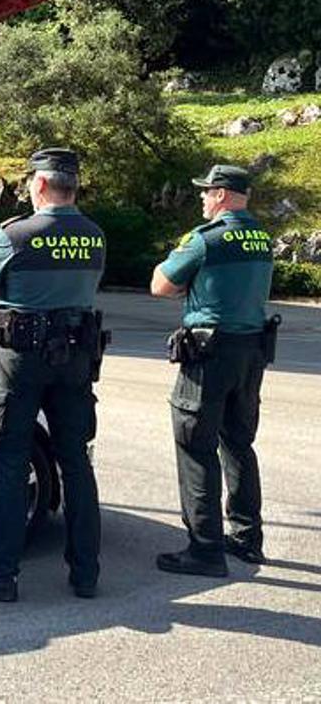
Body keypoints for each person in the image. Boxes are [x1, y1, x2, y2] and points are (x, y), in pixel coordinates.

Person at [0, 149, 107, 602]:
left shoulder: (15, 233)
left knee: (10, 459)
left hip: (21, 356)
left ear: (40, 185)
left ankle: (0, 575)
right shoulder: (95, 236)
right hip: (76, 355)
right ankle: (86, 574)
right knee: (75, 461)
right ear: (72, 186)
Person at [150, 164, 274, 576]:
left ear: (221, 195)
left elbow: (161, 284)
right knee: (239, 443)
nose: (202, 198)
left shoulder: (205, 240)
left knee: (195, 445)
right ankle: (246, 538)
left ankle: (204, 550)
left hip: (209, 355)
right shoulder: (261, 238)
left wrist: (194, 282)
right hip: (251, 352)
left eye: (206, 192)